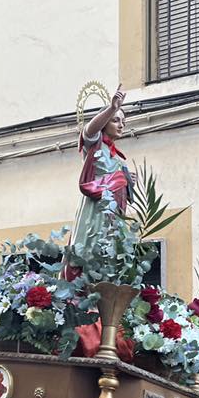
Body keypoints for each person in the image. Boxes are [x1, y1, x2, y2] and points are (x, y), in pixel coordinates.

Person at [66, 83, 135, 278]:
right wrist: (111, 107)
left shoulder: (117, 158)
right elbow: (88, 130)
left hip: (114, 216)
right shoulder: (95, 146)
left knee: (111, 257)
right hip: (94, 213)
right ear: (104, 122)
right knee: (90, 250)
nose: (121, 125)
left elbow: (118, 185)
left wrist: (128, 181)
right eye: (115, 120)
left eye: (123, 121)